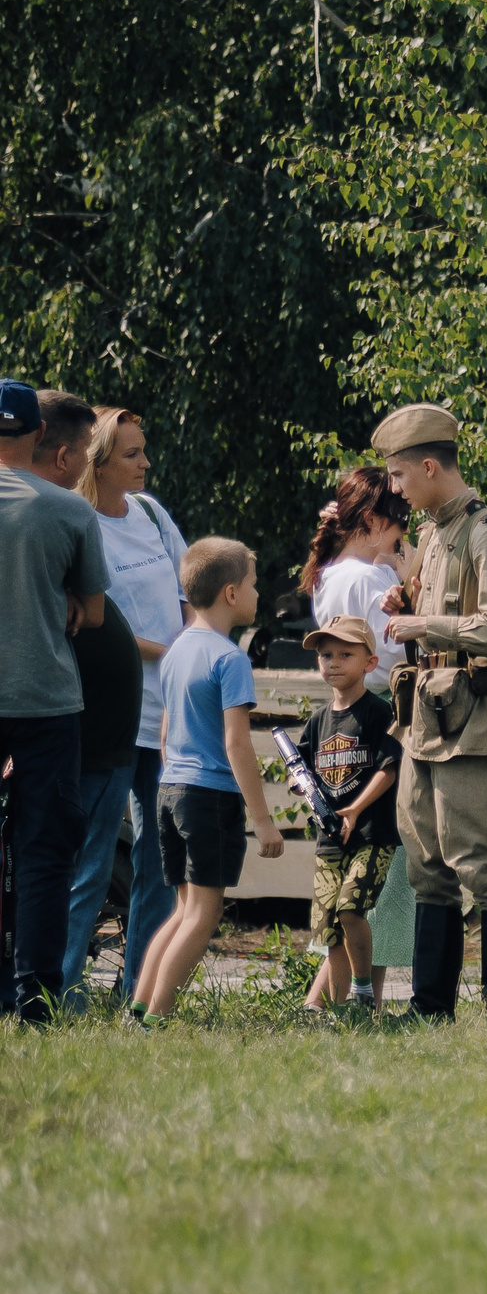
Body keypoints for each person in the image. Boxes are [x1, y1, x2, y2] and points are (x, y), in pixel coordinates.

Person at [376, 402, 487, 1019]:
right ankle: (430, 1007)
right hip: (425, 723)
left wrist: (424, 621)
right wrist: (404, 596)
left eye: (398, 475)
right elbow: (433, 605)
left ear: (432, 467)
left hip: (477, 725)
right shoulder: (432, 534)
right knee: (427, 869)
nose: (393, 487)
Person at [129, 538, 285, 1022]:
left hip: (170, 789)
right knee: (203, 915)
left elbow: (165, 730)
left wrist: (171, 778)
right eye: (255, 586)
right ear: (232, 593)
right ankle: (157, 1018)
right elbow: (237, 744)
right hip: (209, 796)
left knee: (180, 911)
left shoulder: (176, 651)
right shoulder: (230, 658)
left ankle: (137, 1009)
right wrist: (263, 821)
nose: (260, 595)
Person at [0, 381, 110, 1023]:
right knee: (43, 851)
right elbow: (92, 612)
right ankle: (34, 997)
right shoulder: (69, 512)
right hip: (43, 699)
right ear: (39, 434)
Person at [72, 404, 185, 1001]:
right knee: (93, 860)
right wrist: (172, 651)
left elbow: (187, 588)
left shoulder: (149, 513)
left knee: (160, 859)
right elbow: (96, 622)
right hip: (117, 715)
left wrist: (191, 647)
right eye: (131, 454)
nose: (145, 463)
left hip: (169, 719)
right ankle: (58, 989)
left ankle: (139, 990)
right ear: (98, 460)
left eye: (143, 450)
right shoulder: (80, 522)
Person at [293, 617, 403, 1015]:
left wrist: (355, 809)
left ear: (370, 662)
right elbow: (303, 771)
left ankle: (363, 994)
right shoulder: (318, 720)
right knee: (328, 929)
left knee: (350, 908)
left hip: (372, 834)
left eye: (345, 654)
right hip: (330, 840)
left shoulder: (378, 712)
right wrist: (302, 787)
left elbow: (389, 768)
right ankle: (336, 1008)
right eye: (325, 655)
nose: (333, 662)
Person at [302, 466, 412, 689]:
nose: (405, 531)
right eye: (402, 519)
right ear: (371, 520)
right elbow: (399, 653)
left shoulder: (324, 575)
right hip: (386, 704)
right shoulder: (367, 578)